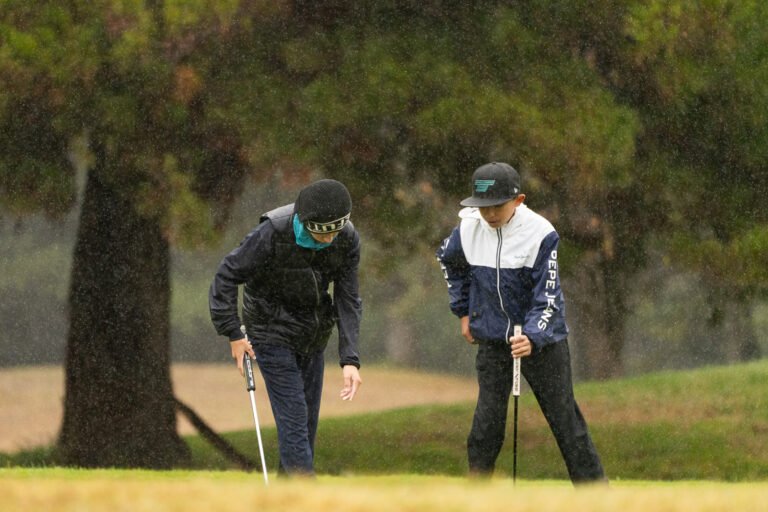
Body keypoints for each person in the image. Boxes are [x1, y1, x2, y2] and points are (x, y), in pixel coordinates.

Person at [436, 162, 605, 483]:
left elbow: (549, 296)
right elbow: (449, 262)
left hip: (543, 345)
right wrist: (464, 311)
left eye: (497, 206)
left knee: (566, 424)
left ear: (518, 200)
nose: (489, 214)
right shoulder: (468, 229)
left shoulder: (541, 234)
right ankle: (476, 495)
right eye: (483, 206)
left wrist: (532, 335)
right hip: (494, 340)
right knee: (485, 426)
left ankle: (596, 496)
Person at [209, 178, 363, 476]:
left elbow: (348, 298)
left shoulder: (346, 239)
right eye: (324, 232)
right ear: (307, 223)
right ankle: (305, 491)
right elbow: (227, 274)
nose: (330, 239)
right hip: (270, 332)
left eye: (335, 231)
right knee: (293, 414)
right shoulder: (272, 232)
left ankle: (287, 491)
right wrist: (233, 333)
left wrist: (350, 359)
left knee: (306, 423)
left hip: (313, 336)